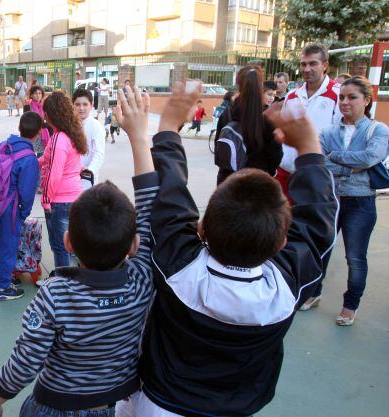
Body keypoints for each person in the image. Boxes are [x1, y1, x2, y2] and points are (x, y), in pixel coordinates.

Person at [132, 81, 338, 417]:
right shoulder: (285, 288)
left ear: (201, 229)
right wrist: (310, 150)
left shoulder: (180, 267)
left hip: (159, 404)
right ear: (282, 243)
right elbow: (320, 225)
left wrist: (168, 127)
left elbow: (168, 197)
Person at [0, 84, 160, 417]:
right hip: (118, 407)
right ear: (133, 245)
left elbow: (24, 363)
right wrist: (139, 137)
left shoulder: (54, 294)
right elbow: (150, 209)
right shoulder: (142, 281)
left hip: (54, 408)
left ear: (68, 243)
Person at [301, 76, 389, 324]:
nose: (344, 102)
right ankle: (312, 292)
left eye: (352, 97)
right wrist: (352, 164)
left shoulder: (378, 130)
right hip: (331, 200)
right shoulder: (329, 131)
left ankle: (350, 305)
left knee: (355, 257)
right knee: (320, 250)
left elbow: (371, 157)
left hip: (361, 202)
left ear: (367, 100)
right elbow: (320, 161)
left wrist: (336, 157)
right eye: (341, 97)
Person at [0, 112, 41, 302]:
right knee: (8, 246)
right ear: (39, 133)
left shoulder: (5, 145)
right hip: (9, 209)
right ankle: (3, 287)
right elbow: (26, 193)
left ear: (19, 127)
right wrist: (22, 213)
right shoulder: (29, 159)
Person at [279, 43, 341, 200]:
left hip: (316, 176)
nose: (307, 69)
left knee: (311, 222)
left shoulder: (338, 95)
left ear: (325, 65)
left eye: (313, 63)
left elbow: (341, 137)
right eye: (303, 64)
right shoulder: (292, 95)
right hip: (286, 173)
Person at [40, 92, 87, 269]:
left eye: (45, 112)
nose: (43, 115)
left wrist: (46, 199)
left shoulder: (60, 138)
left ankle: (63, 284)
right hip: (73, 198)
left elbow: (54, 172)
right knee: (71, 244)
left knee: (60, 247)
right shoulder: (68, 134)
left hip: (59, 201)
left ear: (52, 114)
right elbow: (45, 159)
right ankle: (74, 280)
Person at [215, 65, 283, 185]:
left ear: (238, 86)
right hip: (257, 185)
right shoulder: (268, 117)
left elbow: (219, 148)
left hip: (228, 184)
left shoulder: (227, 114)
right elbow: (275, 156)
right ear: (261, 86)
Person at [72, 88, 105, 189]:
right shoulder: (69, 125)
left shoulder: (96, 127)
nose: (81, 108)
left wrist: (89, 171)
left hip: (87, 181)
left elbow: (99, 154)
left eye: (85, 104)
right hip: (69, 181)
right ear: (73, 105)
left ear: (91, 105)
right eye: (78, 104)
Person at [27, 85, 48, 156]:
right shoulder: (28, 106)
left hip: (42, 134)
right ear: (32, 95)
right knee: (31, 154)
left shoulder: (44, 106)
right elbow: (26, 121)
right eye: (36, 93)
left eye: (40, 93)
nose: (38, 95)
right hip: (33, 134)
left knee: (41, 155)